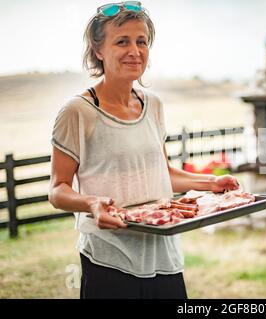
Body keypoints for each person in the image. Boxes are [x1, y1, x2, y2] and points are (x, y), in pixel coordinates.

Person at [48, 2, 239, 299]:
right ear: (98, 50)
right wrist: (92, 203)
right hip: (109, 257)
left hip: (163, 255)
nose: (134, 51)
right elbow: (57, 190)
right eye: (122, 41)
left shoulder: (154, 105)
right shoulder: (77, 111)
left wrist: (211, 183)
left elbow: (163, 172)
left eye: (142, 41)